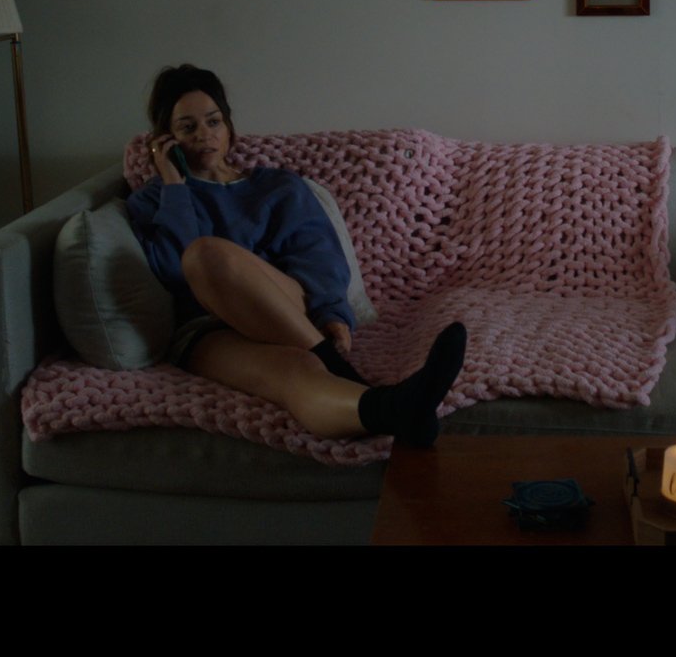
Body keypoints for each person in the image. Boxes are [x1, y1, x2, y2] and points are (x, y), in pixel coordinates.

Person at [127, 64, 467, 447]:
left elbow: (316, 254)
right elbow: (173, 270)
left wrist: (331, 313)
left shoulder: (276, 187)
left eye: (213, 121)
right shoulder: (155, 200)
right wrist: (175, 186)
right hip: (208, 329)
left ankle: (347, 373)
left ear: (229, 127)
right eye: (188, 127)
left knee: (211, 255)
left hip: (285, 310)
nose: (205, 135)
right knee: (296, 369)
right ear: (166, 140)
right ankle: (390, 410)